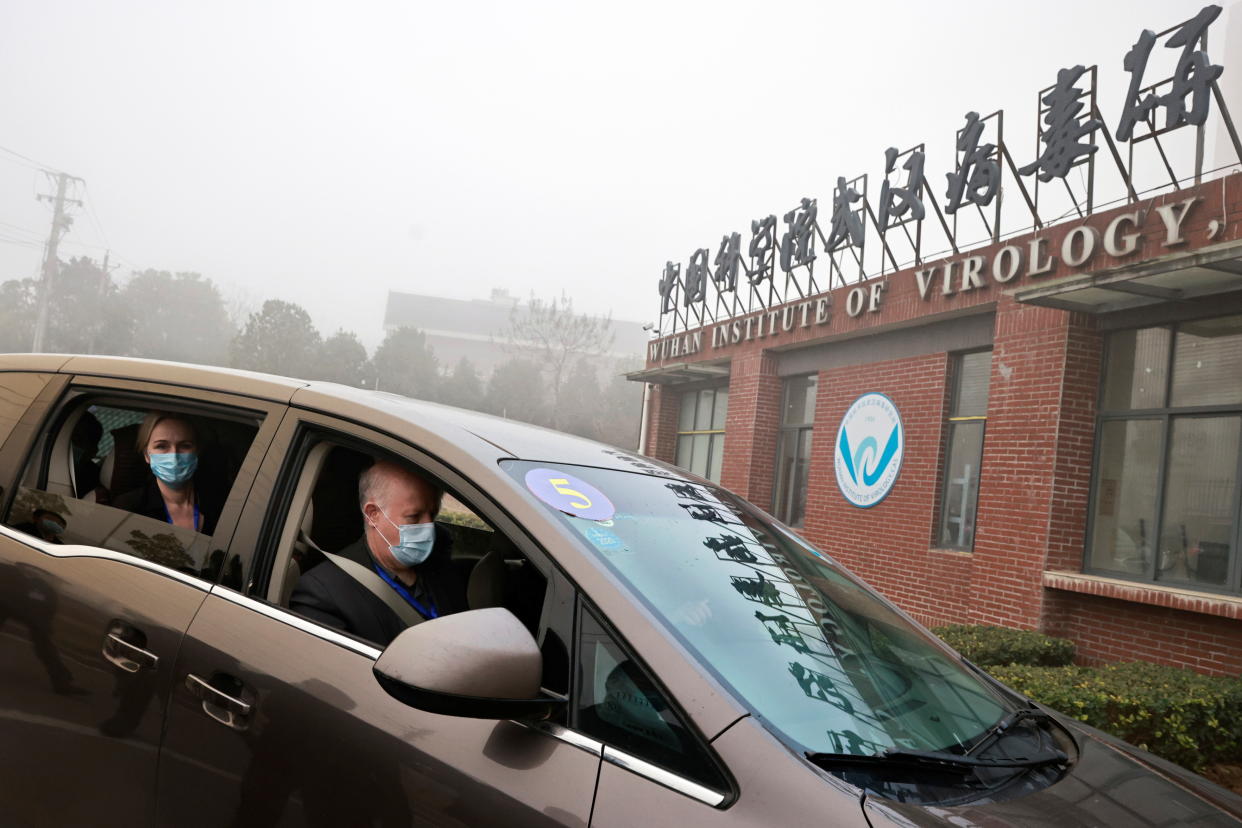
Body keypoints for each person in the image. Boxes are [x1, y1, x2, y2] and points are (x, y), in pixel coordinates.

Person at [289, 459, 467, 646]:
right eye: (414, 516)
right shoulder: (322, 594)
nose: (428, 527)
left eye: (432, 515)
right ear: (373, 514)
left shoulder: (441, 569)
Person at [114, 412, 222, 535]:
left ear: (197, 452)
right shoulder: (128, 508)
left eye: (185, 446)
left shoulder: (221, 502)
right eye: (161, 446)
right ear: (146, 455)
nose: (174, 456)